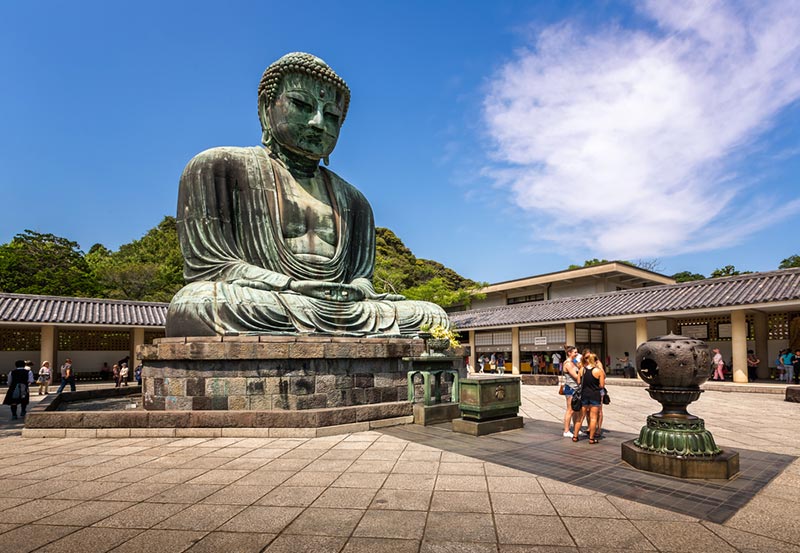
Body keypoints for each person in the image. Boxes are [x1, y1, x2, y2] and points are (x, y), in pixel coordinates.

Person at [164, 52, 449, 337]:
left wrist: (358, 291)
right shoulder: (217, 168)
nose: (318, 123)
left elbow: (361, 278)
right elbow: (211, 268)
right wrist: (289, 286)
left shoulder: (355, 201)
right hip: (268, 299)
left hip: (343, 308)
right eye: (301, 104)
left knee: (431, 317)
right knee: (194, 303)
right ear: (266, 108)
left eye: (332, 116)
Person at [575, 352, 605, 444]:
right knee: (593, 418)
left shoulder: (582, 370)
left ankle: (575, 436)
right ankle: (591, 438)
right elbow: (602, 385)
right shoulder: (598, 371)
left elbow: (579, 381)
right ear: (595, 361)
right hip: (595, 395)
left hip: (584, 395)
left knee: (580, 417)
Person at [561, 346, 582, 438]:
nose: (576, 354)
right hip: (570, 388)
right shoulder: (568, 364)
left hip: (577, 388)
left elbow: (582, 367)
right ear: (569, 353)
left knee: (576, 409)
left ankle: (576, 428)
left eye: (577, 352)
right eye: (575, 352)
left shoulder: (574, 362)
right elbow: (576, 376)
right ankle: (566, 430)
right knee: (570, 409)